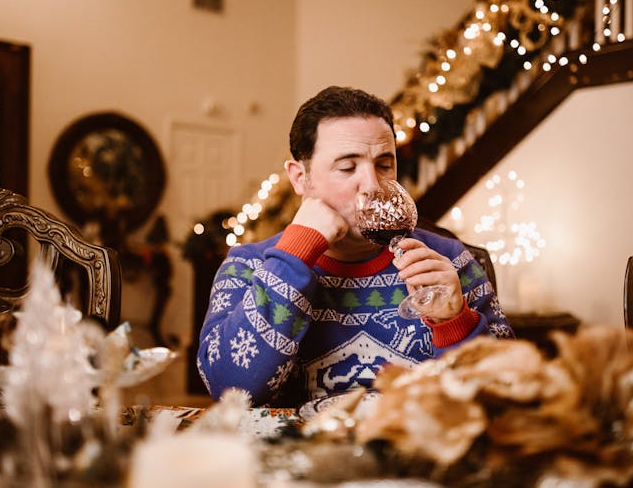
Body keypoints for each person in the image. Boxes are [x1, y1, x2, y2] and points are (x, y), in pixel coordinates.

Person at [197, 86, 513, 407]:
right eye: (347, 167)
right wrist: (293, 254)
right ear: (300, 177)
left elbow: (507, 392)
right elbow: (229, 390)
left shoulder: (450, 260)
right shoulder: (247, 266)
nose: (373, 185)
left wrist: (454, 321)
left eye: (384, 165)